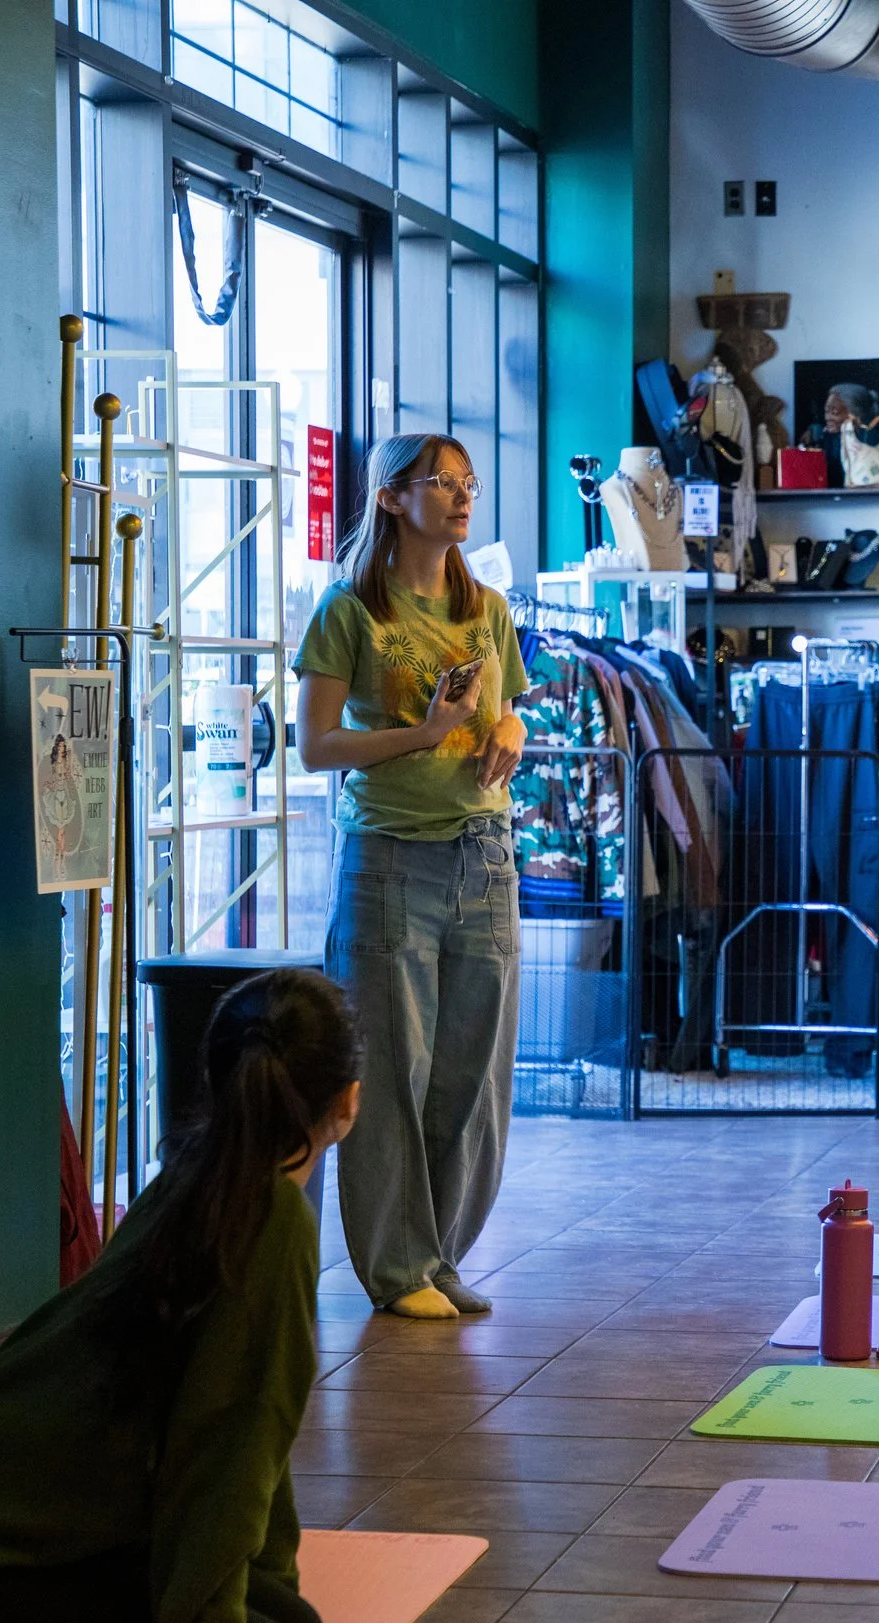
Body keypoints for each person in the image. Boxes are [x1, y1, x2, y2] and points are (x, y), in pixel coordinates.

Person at [0, 969, 358, 1623]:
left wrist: (269, 1590)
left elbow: (249, 1444)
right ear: (347, 1102)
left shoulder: (198, 1176)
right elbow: (220, 1478)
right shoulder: (272, 1220)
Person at [295, 433, 529, 1320]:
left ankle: (439, 1254)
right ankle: (396, 1268)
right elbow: (317, 746)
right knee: (393, 1070)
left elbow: (502, 717)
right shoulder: (351, 609)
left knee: (474, 1074)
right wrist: (422, 736)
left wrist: (508, 733)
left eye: (469, 482)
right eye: (442, 481)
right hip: (390, 858)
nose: (463, 496)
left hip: (486, 856)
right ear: (391, 498)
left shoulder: (488, 609)